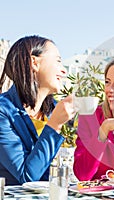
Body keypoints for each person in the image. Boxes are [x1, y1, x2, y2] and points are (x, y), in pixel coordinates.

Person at [0, 35, 76, 185]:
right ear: (34, 62)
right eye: (58, 61)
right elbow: (26, 177)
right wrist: (54, 125)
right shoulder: (3, 111)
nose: (63, 71)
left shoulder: (54, 109)